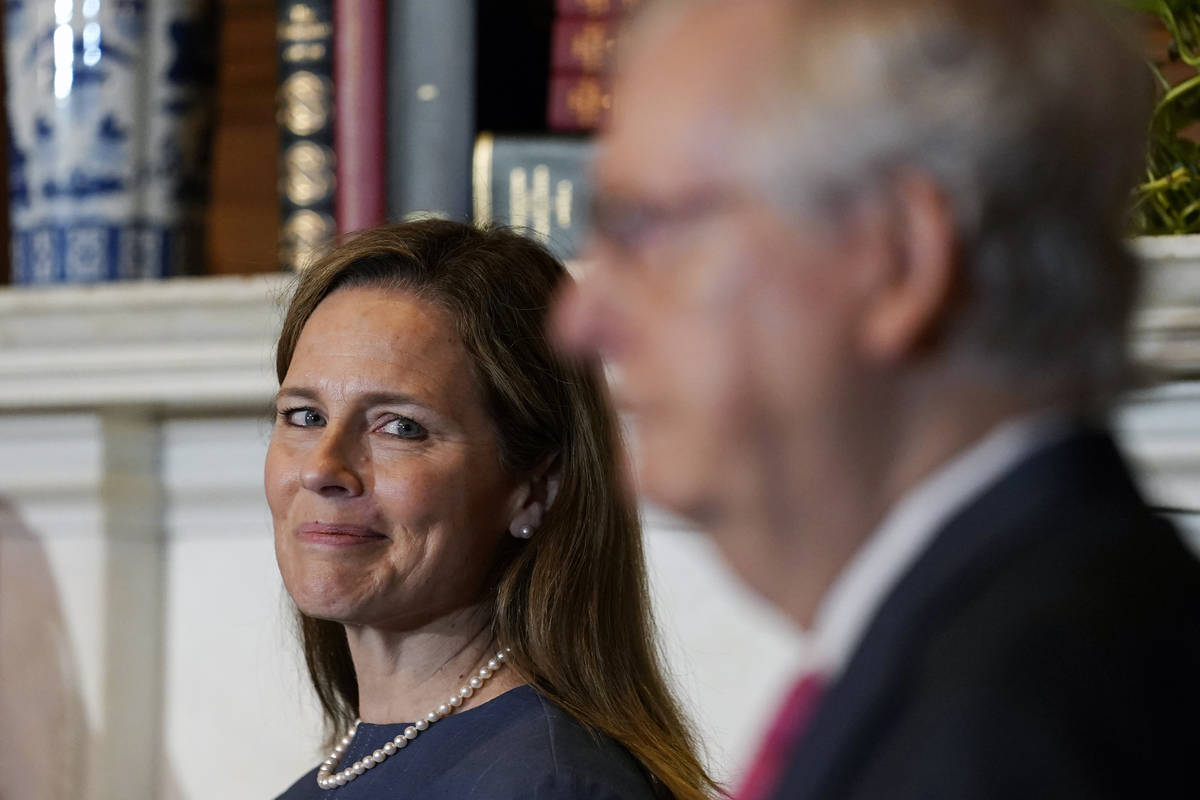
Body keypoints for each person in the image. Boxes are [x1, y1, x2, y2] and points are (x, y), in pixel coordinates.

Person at [553, 0, 1200, 797]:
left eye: (643, 228)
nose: (579, 319)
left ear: (897, 259)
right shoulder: (994, 644)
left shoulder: (1018, 733)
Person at [266, 219, 719, 799]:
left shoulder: (551, 786)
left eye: (401, 427)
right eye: (304, 416)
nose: (322, 469)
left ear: (537, 488)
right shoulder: (320, 786)